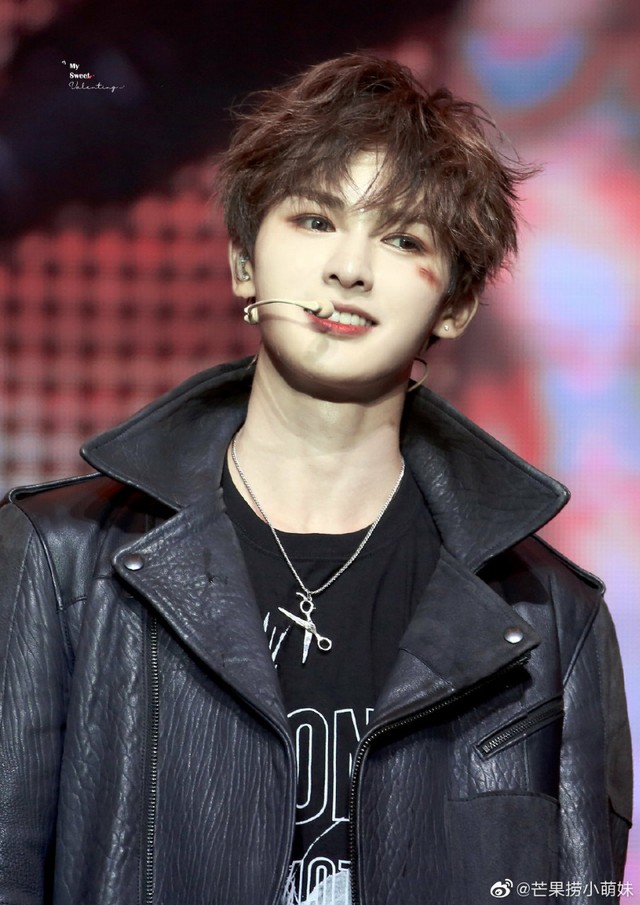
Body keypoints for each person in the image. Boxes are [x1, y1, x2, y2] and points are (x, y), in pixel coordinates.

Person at [0, 54, 631, 905]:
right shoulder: (63, 559)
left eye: (404, 239)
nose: (349, 268)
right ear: (244, 264)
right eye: (314, 219)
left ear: (455, 305)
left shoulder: (550, 615)